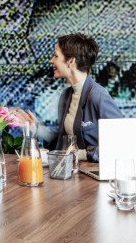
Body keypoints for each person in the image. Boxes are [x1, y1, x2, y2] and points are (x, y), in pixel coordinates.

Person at [15, 33, 122, 162]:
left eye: (56, 56)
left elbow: (122, 141)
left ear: (71, 61)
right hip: (73, 169)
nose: (51, 60)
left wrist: (83, 154)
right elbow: (64, 143)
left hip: (94, 170)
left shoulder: (98, 96)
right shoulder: (66, 96)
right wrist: (38, 129)